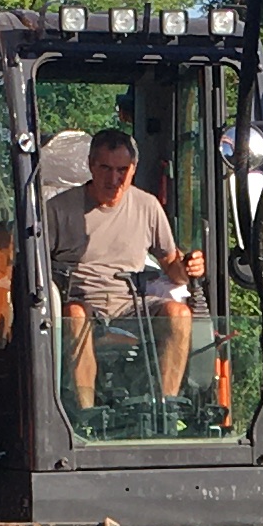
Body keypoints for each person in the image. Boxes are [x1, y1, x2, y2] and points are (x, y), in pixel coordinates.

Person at [46, 124, 210, 424]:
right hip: (82, 301)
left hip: (131, 303)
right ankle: (87, 415)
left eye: (122, 169)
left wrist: (189, 268)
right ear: (90, 166)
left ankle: (166, 410)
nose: (114, 179)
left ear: (133, 168)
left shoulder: (147, 206)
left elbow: (171, 265)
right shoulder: (59, 209)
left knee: (179, 314)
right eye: (105, 168)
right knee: (75, 315)